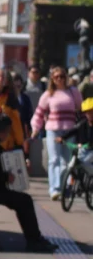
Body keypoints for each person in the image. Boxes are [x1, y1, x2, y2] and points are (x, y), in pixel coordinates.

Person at [0, 114, 56, 253]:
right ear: (5, 131)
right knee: (24, 201)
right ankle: (34, 240)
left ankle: (35, 238)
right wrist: (5, 177)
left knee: (22, 200)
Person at [30, 65, 81, 201]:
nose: (60, 79)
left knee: (68, 161)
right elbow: (39, 113)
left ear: (66, 77)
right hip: (53, 129)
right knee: (54, 159)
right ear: (52, 79)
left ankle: (65, 187)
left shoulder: (73, 92)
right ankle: (54, 189)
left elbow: (81, 109)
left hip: (69, 130)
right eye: (56, 77)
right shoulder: (48, 94)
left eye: (62, 76)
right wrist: (35, 128)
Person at [12, 73, 35, 140]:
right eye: (16, 85)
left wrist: (30, 129)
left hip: (23, 129)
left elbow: (29, 114)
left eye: (19, 85)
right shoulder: (9, 97)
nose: (18, 87)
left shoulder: (25, 98)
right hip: (12, 129)